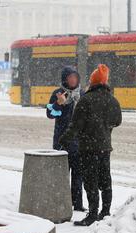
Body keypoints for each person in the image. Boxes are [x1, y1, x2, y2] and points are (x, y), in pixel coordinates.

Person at [59, 64, 122, 226]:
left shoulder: (86, 100)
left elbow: (75, 126)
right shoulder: (112, 99)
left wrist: (64, 140)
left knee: (90, 182)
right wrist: (104, 128)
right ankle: (106, 212)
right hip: (105, 148)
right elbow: (118, 121)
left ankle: (92, 214)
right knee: (105, 180)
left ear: (93, 82)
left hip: (88, 148)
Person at [46, 66, 85, 212]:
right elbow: (50, 114)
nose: (73, 80)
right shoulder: (58, 93)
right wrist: (58, 104)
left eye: (75, 77)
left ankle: (77, 204)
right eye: (70, 77)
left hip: (78, 142)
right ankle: (59, 203)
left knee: (78, 175)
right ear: (65, 79)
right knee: (61, 175)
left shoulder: (82, 94)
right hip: (62, 141)